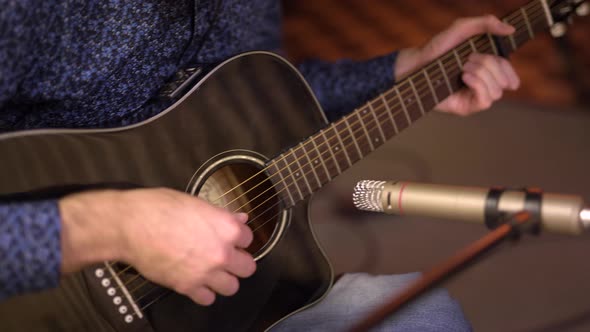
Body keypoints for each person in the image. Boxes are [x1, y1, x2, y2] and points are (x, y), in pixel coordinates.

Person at [0, 1, 520, 330]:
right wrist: (113, 227)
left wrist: (403, 73)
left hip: (225, 310)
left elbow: (259, 99)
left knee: (427, 319)